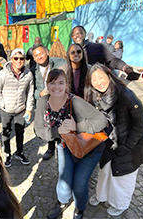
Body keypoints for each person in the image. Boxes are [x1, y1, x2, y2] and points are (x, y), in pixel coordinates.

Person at [34, 69, 107, 219]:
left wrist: (77, 127)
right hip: (65, 145)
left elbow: (102, 121)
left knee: (80, 184)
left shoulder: (75, 102)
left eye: (61, 82)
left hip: (90, 147)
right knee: (64, 180)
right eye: (52, 83)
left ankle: (79, 209)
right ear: (47, 85)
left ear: (67, 85)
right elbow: (38, 129)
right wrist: (57, 132)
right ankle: (61, 203)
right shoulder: (43, 102)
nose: (56, 87)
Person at [84, 63, 143, 216]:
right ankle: (101, 196)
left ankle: (120, 204)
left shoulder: (127, 96)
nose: (99, 82)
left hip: (130, 145)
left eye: (101, 77)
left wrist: (126, 147)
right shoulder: (95, 96)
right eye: (94, 80)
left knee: (122, 178)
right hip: (109, 143)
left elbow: (140, 126)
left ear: (109, 75)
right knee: (105, 171)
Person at [0, 48, 34, 167]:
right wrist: (3, 103)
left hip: (20, 109)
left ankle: (19, 152)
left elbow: (30, 92)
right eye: (16, 58)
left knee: (20, 132)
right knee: (6, 132)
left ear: (24, 60)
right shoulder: (3, 74)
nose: (19, 61)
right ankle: (7, 153)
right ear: (11, 59)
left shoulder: (28, 74)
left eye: (21, 58)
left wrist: (29, 108)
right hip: (6, 110)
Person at [32, 43, 67, 160]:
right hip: (45, 103)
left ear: (47, 52)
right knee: (49, 125)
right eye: (36, 56)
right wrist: (40, 94)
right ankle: (51, 147)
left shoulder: (60, 63)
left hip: (60, 100)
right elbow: (31, 90)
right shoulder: (33, 70)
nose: (39, 57)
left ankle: (63, 147)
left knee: (62, 123)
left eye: (41, 53)